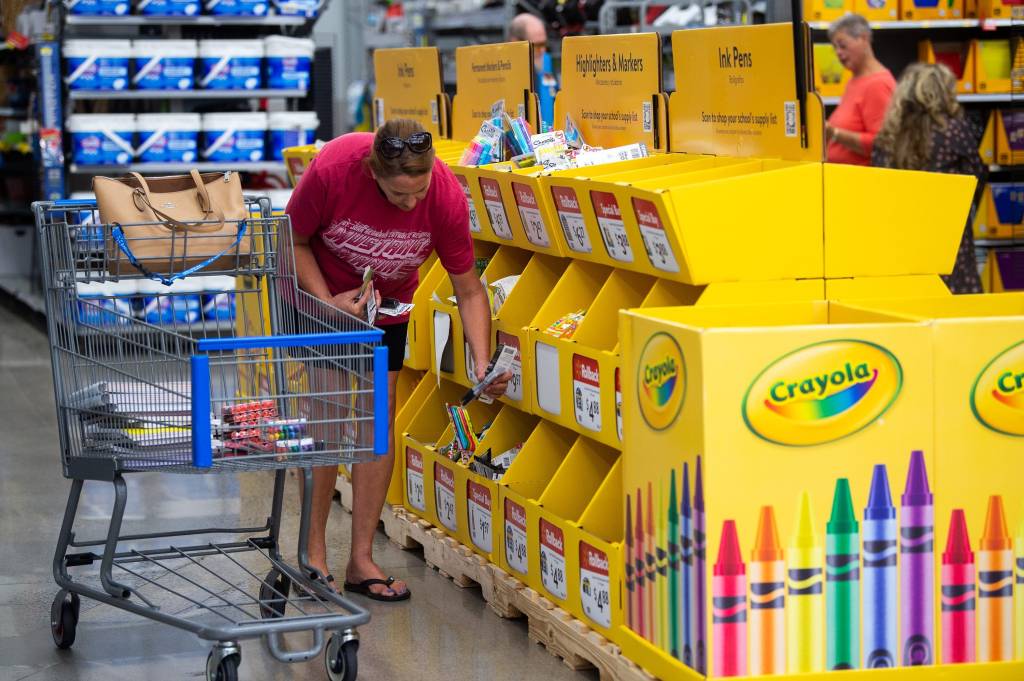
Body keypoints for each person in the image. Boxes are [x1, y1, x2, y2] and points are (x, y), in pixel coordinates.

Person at [285, 119, 511, 600]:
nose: (411, 205)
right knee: (326, 420)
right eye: (397, 195)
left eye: (419, 191)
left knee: (376, 422)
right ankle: (314, 556)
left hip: (385, 307)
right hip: (320, 297)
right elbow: (293, 239)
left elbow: (468, 289)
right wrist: (328, 302)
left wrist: (482, 361)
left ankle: (361, 560)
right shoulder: (335, 168)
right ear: (372, 173)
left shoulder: (445, 196)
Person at [872, 63, 984, 294]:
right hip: (948, 236)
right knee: (954, 302)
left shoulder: (888, 135)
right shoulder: (955, 130)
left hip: (902, 237)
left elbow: (877, 182)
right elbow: (977, 175)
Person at [824, 14, 895, 166]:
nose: (838, 52)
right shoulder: (854, 80)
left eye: (842, 45)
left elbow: (881, 144)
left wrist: (834, 133)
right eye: (835, 47)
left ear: (863, 38)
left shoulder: (878, 85)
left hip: (861, 182)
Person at [510, 12, 558, 131]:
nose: (543, 50)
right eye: (537, 45)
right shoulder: (509, 72)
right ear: (515, 42)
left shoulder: (546, 60)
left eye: (544, 43)